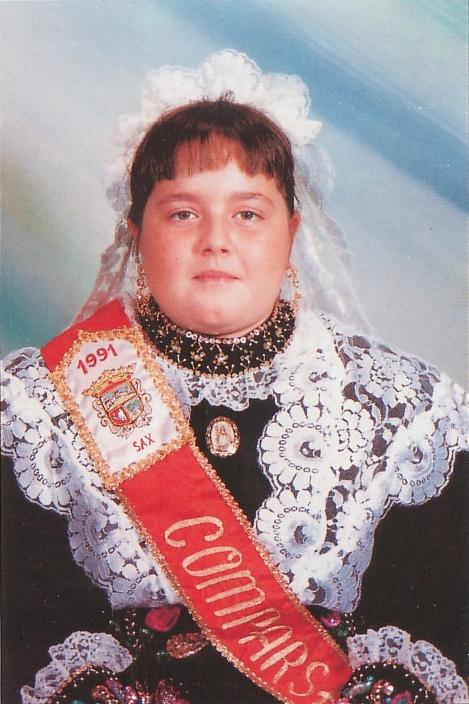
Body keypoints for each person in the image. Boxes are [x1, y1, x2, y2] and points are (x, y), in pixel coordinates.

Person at [1, 51, 468, 704]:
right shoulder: (33, 406)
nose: (215, 240)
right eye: (183, 213)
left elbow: (442, 622)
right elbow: (21, 631)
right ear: (136, 233)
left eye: (248, 213)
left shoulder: (405, 409)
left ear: (291, 231)